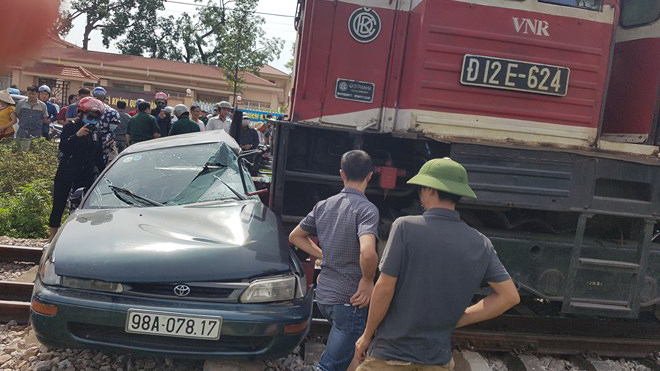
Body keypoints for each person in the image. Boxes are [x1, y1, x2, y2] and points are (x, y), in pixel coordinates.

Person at [354, 158, 520, 371]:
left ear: (430, 190)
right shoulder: (480, 242)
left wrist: (366, 336)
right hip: (437, 361)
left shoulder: (405, 227)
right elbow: (509, 296)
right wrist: (460, 319)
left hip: (390, 356)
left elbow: (384, 288)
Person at [289, 150, 379, 371]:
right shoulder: (366, 210)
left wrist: (323, 255)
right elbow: (368, 252)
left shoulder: (324, 205)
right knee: (329, 367)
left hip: (327, 297)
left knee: (351, 358)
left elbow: (295, 236)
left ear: (342, 174)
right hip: (350, 300)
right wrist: (367, 281)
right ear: (370, 175)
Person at [48, 97, 108, 240]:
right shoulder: (71, 126)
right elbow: (64, 147)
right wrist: (77, 136)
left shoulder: (96, 130)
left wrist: (104, 174)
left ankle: (78, 237)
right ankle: (52, 238)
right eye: (90, 116)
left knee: (84, 206)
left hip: (86, 172)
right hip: (68, 170)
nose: (93, 119)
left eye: (96, 117)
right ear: (81, 113)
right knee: (59, 203)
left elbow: (98, 155)